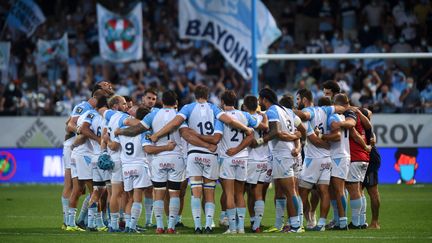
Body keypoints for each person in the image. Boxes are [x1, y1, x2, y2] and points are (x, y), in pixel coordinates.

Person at [143, 85, 253, 234]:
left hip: (194, 153)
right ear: (207, 96)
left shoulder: (187, 108)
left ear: (195, 95)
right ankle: (208, 225)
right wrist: (245, 129)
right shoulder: (214, 109)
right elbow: (228, 122)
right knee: (209, 193)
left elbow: (179, 127)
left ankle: (197, 227)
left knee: (195, 192)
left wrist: (157, 135)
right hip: (211, 155)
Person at [295, 89, 345, 231]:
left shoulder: (307, 112)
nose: (297, 103)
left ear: (304, 100)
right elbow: (340, 107)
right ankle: (321, 224)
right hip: (326, 159)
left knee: (302, 191)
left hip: (313, 159)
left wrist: (290, 111)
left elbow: (313, 140)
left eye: (298, 100)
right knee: (324, 191)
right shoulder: (325, 110)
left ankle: (299, 223)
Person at [258, 88, 305, 233]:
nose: (259, 102)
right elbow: (302, 130)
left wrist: (260, 141)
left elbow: (275, 132)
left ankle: (296, 226)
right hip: (289, 154)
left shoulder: (272, 110)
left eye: (260, 99)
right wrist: (294, 137)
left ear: (265, 99)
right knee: (280, 190)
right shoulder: (287, 110)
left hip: (282, 155)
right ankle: (280, 225)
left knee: (290, 191)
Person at [140, 90, 186, 234]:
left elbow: (142, 129)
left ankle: (159, 226)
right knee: (174, 194)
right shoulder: (180, 116)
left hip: (158, 157)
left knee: (158, 193)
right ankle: (171, 227)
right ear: (176, 102)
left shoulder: (152, 115)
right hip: (176, 157)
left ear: (162, 101)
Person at [217, 91, 261, 234]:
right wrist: (238, 149)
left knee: (229, 194)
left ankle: (232, 228)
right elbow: (253, 134)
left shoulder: (220, 116)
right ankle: (241, 228)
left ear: (223, 102)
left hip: (227, 157)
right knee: (240, 194)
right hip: (242, 158)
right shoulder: (245, 115)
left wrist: (233, 150)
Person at [65, 89, 107, 231]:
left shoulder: (84, 115)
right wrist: (98, 139)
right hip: (86, 156)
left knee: (78, 190)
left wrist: (74, 145)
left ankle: (70, 223)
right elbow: (82, 132)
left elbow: (73, 127)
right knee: (96, 190)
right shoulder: (93, 115)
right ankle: (95, 223)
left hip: (78, 154)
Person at [321, 94, 356, 230]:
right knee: (335, 190)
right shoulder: (343, 117)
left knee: (339, 190)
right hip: (341, 155)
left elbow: (336, 136)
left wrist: (322, 136)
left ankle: (342, 222)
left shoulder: (333, 117)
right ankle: (339, 220)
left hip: (339, 156)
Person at [117, 106, 154, 233]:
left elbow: (113, 143)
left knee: (130, 198)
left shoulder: (122, 130)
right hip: (139, 165)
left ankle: (128, 224)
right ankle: (132, 226)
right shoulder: (145, 131)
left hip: (126, 167)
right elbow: (148, 148)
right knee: (137, 198)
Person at [243, 95, 269, 233]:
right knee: (258, 193)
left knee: (242, 192)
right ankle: (256, 224)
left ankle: (240, 222)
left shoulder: (245, 119)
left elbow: (250, 142)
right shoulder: (264, 118)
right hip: (263, 160)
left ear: (245, 107)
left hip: (250, 160)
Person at [345, 105, 372, 229]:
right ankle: (362, 220)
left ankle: (356, 223)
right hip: (364, 158)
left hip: (355, 156)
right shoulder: (360, 117)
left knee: (353, 189)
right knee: (359, 190)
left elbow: (355, 135)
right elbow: (369, 126)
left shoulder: (350, 117)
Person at [361, 108, 381, 229]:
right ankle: (360, 221)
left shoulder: (367, 129)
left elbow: (368, 112)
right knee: (357, 191)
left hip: (370, 160)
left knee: (372, 191)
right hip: (361, 160)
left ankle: (375, 222)